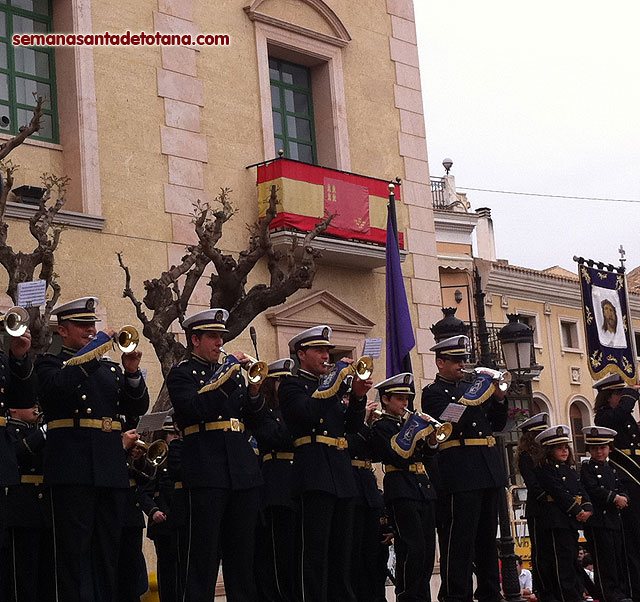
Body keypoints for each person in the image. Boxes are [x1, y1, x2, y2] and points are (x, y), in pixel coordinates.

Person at [35, 296, 149, 602]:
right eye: (82, 326)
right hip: (72, 468)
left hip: (108, 469)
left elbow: (136, 406)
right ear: (63, 330)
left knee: (106, 552)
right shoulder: (50, 363)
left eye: (92, 326)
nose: (89, 330)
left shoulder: (108, 370)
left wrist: (132, 372)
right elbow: (57, 389)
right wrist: (94, 349)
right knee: (73, 554)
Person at [166, 308, 267, 602]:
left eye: (221, 337)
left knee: (242, 556)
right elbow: (195, 409)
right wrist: (227, 376)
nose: (219, 343)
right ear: (194, 339)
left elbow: (254, 420)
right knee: (203, 556)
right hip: (206, 468)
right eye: (212, 337)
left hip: (241, 469)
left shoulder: (232, 375)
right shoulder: (182, 374)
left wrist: (254, 392)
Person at [279, 325, 372, 602]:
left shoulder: (329, 390)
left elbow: (352, 426)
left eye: (327, 351)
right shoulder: (292, 385)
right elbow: (307, 413)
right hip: (314, 472)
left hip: (341, 474)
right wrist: (335, 382)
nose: (325, 356)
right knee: (314, 552)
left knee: (342, 553)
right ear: (301, 353)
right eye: (319, 351)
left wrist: (356, 396)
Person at [421, 335, 508, 602]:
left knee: (487, 540)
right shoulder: (433, 393)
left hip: (486, 468)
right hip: (460, 472)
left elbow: (497, 424)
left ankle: (490, 592)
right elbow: (448, 424)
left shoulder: (473, 388)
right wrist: (473, 396)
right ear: (440, 362)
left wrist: (499, 398)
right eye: (456, 360)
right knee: (460, 539)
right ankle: (456, 595)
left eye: (463, 360)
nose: (462, 365)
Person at [370, 373, 437, 602]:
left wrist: (432, 439)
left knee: (428, 551)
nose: (405, 404)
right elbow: (396, 455)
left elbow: (427, 455)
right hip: (400, 489)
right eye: (399, 398)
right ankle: (408, 596)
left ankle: (422, 595)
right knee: (412, 548)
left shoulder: (409, 424)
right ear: (386, 400)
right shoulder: (381, 427)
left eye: (407, 399)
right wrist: (412, 429)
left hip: (422, 488)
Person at [252, 358, 296, 602]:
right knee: (279, 555)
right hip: (276, 486)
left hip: (298, 484)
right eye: (282, 381)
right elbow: (278, 438)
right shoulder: (265, 412)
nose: (287, 386)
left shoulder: (293, 410)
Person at [593, 373, 640, 599]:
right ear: (608, 396)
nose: (623, 399)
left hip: (636, 477)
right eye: (619, 394)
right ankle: (633, 588)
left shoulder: (625, 418)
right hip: (626, 479)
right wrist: (632, 393)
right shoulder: (604, 417)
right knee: (631, 541)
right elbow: (620, 413)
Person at [534, 425, 593, 602]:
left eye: (566, 447)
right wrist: (577, 510)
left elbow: (580, 489)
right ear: (550, 450)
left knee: (572, 559)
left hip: (569, 522)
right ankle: (566, 595)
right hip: (556, 520)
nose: (564, 451)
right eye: (560, 448)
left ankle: (575, 593)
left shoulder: (570, 470)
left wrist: (587, 508)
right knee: (562, 562)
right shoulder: (546, 470)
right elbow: (559, 492)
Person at [5, 403, 54, 601]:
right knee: (23, 575)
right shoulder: (8, 431)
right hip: (22, 509)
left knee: (46, 576)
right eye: (29, 404)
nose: (35, 408)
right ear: (13, 409)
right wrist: (43, 432)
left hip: (46, 510)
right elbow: (16, 452)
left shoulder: (39, 432)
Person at [580, 425, 632, 602]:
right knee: (605, 560)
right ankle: (609, 593)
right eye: (595, 448)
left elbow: (621, 487)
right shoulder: (587, 468)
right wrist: (614, 498)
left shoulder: (612, 469)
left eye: (602, 448)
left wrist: (624, 496)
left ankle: (620, 591)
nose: (599, 452)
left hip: (613, 520)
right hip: (599, 521)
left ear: (609, 448)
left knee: (617, 558)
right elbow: (593, 489)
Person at [348, 396, 387, 602]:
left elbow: (379, 452)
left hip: (368, 490)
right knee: (355, 556)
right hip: (351, 488)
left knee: (374, 557)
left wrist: (372, 426)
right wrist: (361, 420)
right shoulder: (341, 421)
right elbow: (349, 443)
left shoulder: (366, 427)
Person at [145, 416, 184, 602]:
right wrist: (153, 511)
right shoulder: (156, 459)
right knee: (167, 574)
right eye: (170, 433)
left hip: (182, 522)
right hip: (163, 525)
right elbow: (145, 492)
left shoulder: (185, 454)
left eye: (177, 433)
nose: (174, 437)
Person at [515, 412, 551, 602]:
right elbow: (533, 484)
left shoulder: (548, 455)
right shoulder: (526, 456)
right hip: (539, 508)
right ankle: (541, 588)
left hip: (554, 509)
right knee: (540, 552)